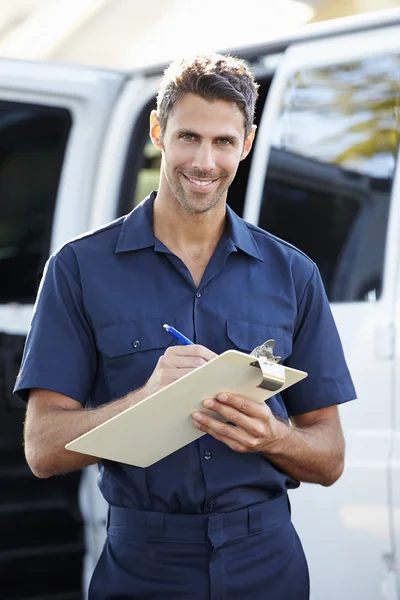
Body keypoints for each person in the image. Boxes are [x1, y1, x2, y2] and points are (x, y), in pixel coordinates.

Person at [14, 53, 356, 600]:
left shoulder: (295, 274)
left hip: (266, 560)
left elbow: (330, 457)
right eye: (188, 137)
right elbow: (42, 449)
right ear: (158, 131)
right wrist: (145, 401)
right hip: (144, 564)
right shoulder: (79, 269)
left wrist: (274, 436)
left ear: (246, 143)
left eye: (223, 141)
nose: (204, 161)